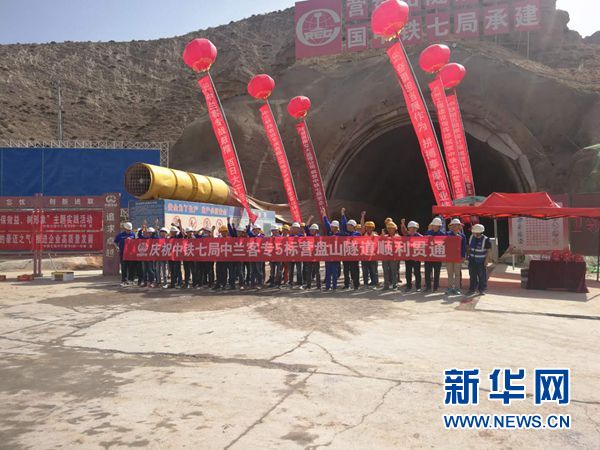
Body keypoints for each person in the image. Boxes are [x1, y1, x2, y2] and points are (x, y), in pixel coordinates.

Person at [467, 223, 492, 296]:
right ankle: (472, 289)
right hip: (472, 260)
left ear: (479, 232)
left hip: (481, 261)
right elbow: (469, 247)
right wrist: (467, 255)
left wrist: (486, 260)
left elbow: (489, 251)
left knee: (482, 275)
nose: (473, 233)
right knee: (472, 275)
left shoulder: (486, 239)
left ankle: (482, 289)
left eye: (474, 232)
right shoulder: (472, 237)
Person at [340, 208, 361, 290]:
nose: (347, 226)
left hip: (354, 255)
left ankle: (356, 284)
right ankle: (346, 284)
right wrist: (342, 214)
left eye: (349, 225)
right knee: (346, 270)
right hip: (346, 255)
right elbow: (343, 223)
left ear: (353, 226)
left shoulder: (357, 234)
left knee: (354, 270)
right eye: (347, 225)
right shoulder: (345, 233)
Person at [322, 209, 342, 291]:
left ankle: (334, 286)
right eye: (331, 226)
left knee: (334, 272)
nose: (331, 227)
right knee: (328, 272)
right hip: (328, 255)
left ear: (336, 227)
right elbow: (327, 224)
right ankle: (327, 286)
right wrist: (324, 214)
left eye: (332, 227)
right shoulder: (329, 233)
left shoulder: (340, 235)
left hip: (336, 256)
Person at [446, 218, 467, 295]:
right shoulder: (447, 234)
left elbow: (464, 247)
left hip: (458, 257)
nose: (454, 227)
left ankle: (457, 288)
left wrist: (463, 256)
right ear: (451, 226)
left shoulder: (462, 236)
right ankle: (449, 288)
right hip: (449, 257)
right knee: (450, 273)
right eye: (453, 225)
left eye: (456, 225)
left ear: (459, 226)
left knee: (457, 274)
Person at [400, 220, 422, 292]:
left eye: (414, 228)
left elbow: (423, 246)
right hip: (408, 257)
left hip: (416, 257)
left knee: (417, 272)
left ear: (416, 229)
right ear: (408, 228)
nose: (412, 229)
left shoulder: (420, 237)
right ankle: (408, 286)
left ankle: (418, 286)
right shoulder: (406, 237)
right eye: (411, 228)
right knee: (408, 272)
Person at [424, 217, 445, 292]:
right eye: (433, 225)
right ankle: (428, 287)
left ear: (439, 226)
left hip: (437, 256)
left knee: (437, 272)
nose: (434, 227)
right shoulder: (428, 233)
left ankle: (435, 287)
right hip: (429, 256)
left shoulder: (442, 234)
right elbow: (423, 243)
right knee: (427, 272)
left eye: (436, 226)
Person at [360, 212, 379, 287]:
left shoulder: (375, 236)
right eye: (367, 227)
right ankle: (366, 283)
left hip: (373, 256)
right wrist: (362, 216)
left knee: (373, 270)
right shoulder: (363, 234)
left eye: (370, 227)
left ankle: (375, 282)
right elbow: (362, 225)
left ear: (373, 228)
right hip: (364, 255)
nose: (369, 229)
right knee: (365, 270)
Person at [114, 222, 136, 287]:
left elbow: (137, 242)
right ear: (125, 229)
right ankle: (124, 280)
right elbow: (115, 242)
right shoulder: (120, 235)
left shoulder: (133, 235)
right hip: (123, 254)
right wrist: (117, 247)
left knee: (131, 267)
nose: (129, 231)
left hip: (131, 255)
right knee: (124, 268)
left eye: (130, 230)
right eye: (128, 230)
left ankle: (131, 280)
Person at [382, 221, 400, 290]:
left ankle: (395, 285)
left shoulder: (398, 237)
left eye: (391, 228)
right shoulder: (385, 237)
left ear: (395, 229)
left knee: (394, 271)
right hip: (385, 256)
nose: (390, 230)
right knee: (385, 271)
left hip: (394, 257)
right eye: (389, 228)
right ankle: (386, 285)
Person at [247, 223, 265, 289]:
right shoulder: (252, 236)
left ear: (259, 230)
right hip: (252, 255)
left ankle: (260, 283)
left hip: (259, 256)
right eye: (254, 229)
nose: (255, 231)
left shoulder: (262, 237)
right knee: (252, 271)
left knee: (258, 270)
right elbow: (248, 231)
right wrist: (249, 223)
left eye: (256, 229)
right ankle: (252, 284)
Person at [305, 223, 322, 290]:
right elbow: (306, 228)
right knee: (309, 271)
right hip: (310, 256)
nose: (311, 231)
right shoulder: (309, 236)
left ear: (316, 230)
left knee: (317, 271)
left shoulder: (318, 237)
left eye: (313, 230)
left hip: (316, 257)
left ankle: (318, 285)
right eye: (311, 230)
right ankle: (308, 285)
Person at [288, 222, 304, 289]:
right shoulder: (290, 236)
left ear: (298, 229)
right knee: (290, 270)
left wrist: (299, 239)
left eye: (296, 228)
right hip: (291, 255)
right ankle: (290, 283)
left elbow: (304, 244)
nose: (294, 229)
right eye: (293, 228)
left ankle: (300, 283)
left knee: (299, 270)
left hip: (298, 256)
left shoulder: (301, 236)